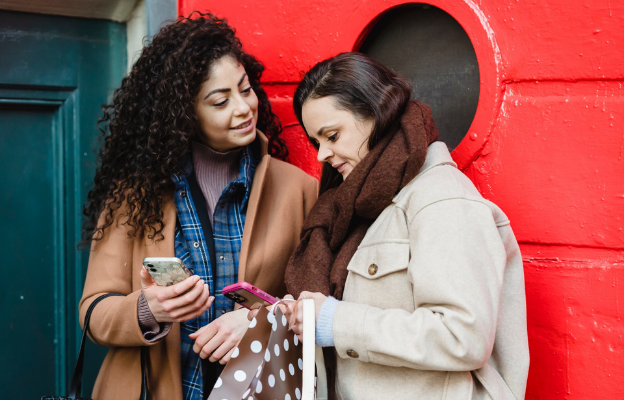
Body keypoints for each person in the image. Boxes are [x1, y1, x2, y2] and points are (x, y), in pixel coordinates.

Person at [78, 13, 317, 400]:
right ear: (184, 113)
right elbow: (93, 313)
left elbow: (317, 304)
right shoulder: (134, 195)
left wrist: (260, 321)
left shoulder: (300, 189)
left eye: (245, 89)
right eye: (220, 101)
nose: (243, 108)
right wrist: (148, 309)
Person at [283, 53, 529, 400]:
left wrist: (337, 322)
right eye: (316, 142)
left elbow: (464, 335)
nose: (322, 154)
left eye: (332, 135)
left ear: (375, 114)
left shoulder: (440, 198)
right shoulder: (359, 205)